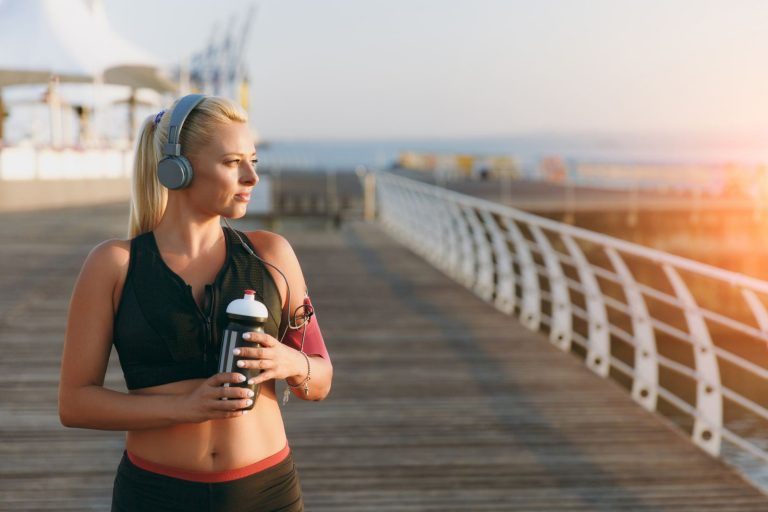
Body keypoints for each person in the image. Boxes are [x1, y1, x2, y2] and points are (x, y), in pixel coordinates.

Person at [58, 94, 332, 511]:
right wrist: (182, 408)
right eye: (231, 162)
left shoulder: (273, 256)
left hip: (267, 492)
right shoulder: (114, 265)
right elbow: (75, 402)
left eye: (253, 161)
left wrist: (291, 363)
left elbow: (321, 377)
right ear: (177, 169)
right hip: (155, 493)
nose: (251, 177)